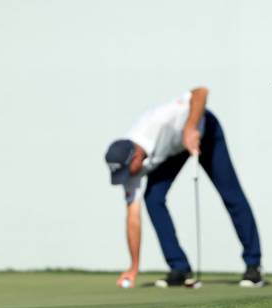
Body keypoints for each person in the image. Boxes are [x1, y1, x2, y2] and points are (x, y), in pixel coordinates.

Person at [105, 87, 262, 288]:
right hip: (174, 150)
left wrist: (190, 127)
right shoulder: (129, 169)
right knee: (153, 198)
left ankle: (254, 265)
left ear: (135, 157)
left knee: (230, 194)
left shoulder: (161, 121)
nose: (127, 177)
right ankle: (179, 268)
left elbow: (201, 92)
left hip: (204, 130)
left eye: (127, 171)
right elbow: (133, 218)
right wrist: (133, 267)